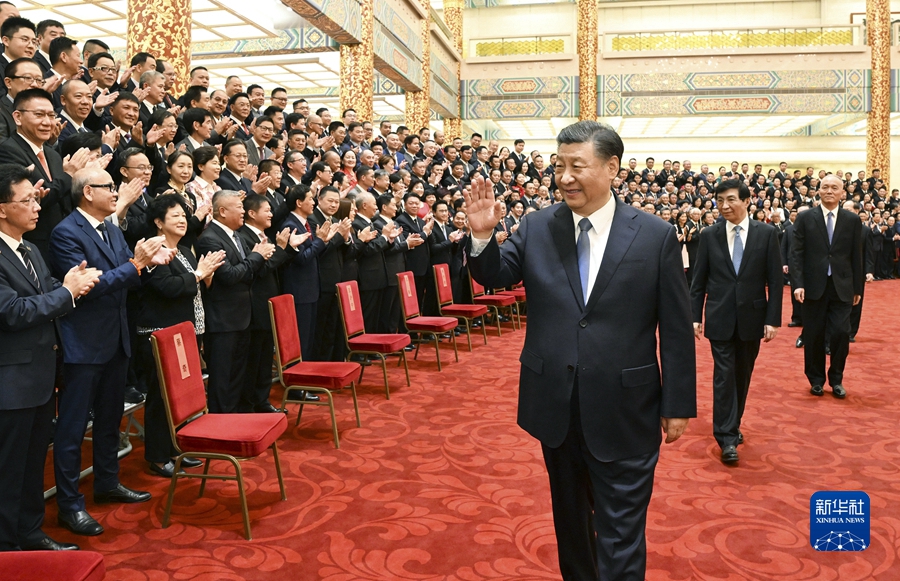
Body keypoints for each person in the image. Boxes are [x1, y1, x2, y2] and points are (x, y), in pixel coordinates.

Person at [464, 120, 696, 581]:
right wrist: (482, 238)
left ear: (612, 168)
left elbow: (675, 327)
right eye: (559, 165)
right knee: (571, 526)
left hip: (628, 407)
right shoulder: (536, 226)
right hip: (556, 406)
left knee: (621, 532)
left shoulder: (654, 235)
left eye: (577, 166)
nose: (565, 177)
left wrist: (678, 404)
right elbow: (495, 275)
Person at [49, 167, 176, 536]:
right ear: (88, 191)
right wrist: (137, 265)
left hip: (116, 338)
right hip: (83, 342)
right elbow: (88, 285)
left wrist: (149, 266)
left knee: (109, 420)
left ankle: (106, 483)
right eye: (110, 188)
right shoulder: (65, 233)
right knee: (73, 429)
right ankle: (70, 505)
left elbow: (127, 277)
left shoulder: (111, 228)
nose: (116, 194)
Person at [0, 163, 100, 552]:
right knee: (8, 471)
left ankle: (29, 532)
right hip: (11, 382)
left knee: (30, 468)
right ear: (2, 208)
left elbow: (49, 291)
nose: (36, 206)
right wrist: (67, 293)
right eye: (26, 200)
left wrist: (73, 284)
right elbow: (13, 313)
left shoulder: (30, 249)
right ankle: (7, 547)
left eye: (36, 198)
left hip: (40, 376)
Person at [689, 179, 782, 464]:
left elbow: (776, 281)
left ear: (746, 201)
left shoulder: (766, 233)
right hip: (719, 317)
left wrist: (772, 319)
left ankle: (734, 422)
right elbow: (699, 280)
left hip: (753, 318)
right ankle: (727, 437)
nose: (724, 206)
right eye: (719, 201)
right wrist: (694, 316)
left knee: (742, 375)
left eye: (730, 200)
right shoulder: (710, 234)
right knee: (724, 376)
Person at [135, 194, 224, 477]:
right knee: (161, 396)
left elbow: (192, 287)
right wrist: (198, 275)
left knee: (182, 395)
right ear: (158, 222)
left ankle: (177, 447)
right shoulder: (154, 250)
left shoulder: (185, 250)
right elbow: (169, 287)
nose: (182, 220)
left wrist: (205, 277)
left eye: (184, 216)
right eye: (175, 216)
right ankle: (158, 456)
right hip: (160, 333)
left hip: (186, 331)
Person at [195, 189, 275, 413]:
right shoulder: (209, 239)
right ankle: (221, 426)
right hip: (223, 321)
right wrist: (256, 256)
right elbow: (229, 276)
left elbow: (246, 272)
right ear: (222, 211)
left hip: (242, 317)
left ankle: (238, 420)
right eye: (238, 207)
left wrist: (254, 260)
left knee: (239, 375)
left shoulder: (236, 235)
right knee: (223, 379)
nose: (243, 211)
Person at [790, 174, 862, 399]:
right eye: (825, 187)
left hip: (842, 285)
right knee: (814, 334)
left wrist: (858, 288)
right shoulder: (805, 218)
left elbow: (856, 256)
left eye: (835, 188)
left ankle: (837, 379)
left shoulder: (852, 220)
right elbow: (796, 253)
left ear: (843, 193)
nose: (829, 191)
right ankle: (816, 380)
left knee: (841, 332)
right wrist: (798, 283)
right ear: (817, 191)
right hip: (813, 286)